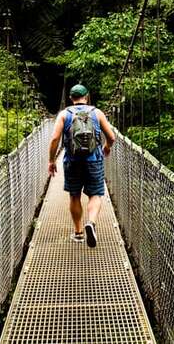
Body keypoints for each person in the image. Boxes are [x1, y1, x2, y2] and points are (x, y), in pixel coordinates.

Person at [47, 84, 116, 248]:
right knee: (96, 194)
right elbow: (111, 137)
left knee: (74, 195)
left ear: (71, 98)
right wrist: (106, 147)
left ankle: (78, 233)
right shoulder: (97, 113)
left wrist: (51, 161)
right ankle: (91, 223)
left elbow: (55, 139)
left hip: (72, 161)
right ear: (87, 96)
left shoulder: (64, 114)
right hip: (94, 160)